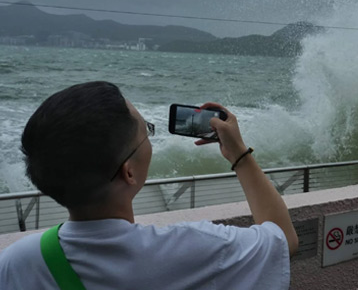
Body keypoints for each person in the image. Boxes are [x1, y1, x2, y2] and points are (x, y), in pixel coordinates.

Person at [0, 81, 298, 289]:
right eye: (147, 131)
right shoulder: (192, 249)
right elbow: (283, 239)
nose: (149, 139)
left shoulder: (17, 262)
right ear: (129, 172)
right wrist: (239, 155)